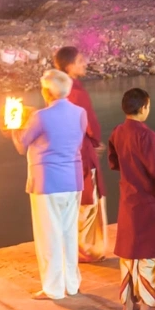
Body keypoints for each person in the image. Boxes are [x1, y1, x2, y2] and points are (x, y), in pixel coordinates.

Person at [8, 69, 86, 300]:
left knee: (48, 235)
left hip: (47, 182)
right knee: (69, 233)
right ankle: (72, 284)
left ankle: (53, 289)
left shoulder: (40, 117)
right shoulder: (80, 113)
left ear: (46, 91)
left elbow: (22, 145)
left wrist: (13, 126)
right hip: (73, 179)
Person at [109, 88, 155, 310]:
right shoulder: (147, 135)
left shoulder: (117, 132)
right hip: (148, 199)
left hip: (128, 198)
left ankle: (128, 303)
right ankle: (149, 306)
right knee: (150, 253)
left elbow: (113, 161)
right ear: (144, 107)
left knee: (129, 253)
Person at [53, 47, 106, 263]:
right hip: (81, 149)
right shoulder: (76, 91)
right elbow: (88, 122)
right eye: (80, 60)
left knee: (74, 197)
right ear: (69, 66)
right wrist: (95, 141)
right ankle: (88, 249)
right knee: (88, 196)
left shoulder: (55, 89)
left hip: (64, 150)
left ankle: (74, 245)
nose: (85, 63)